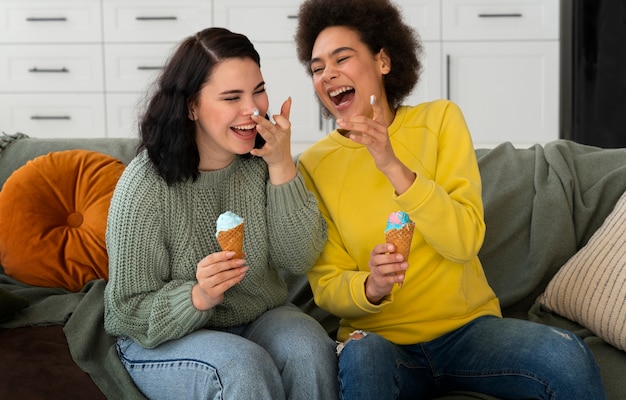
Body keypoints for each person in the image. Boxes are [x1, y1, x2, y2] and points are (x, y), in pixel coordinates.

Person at [293, 0, 607, 399]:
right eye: (317, 68)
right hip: (381, 342)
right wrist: (370, 286)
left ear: (383, 61)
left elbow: (463, 241)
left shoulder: (440, 121)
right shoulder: (315, 165)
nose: (328, 74)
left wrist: (393, 166)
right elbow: (327, 284)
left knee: (567, 358)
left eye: (342, 58)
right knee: (362, 354)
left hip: (468, 333)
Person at [103, 27, 338, 400]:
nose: (254, 109)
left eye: (258, 90)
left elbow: (299, 257)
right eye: (232, 97)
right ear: (191, 106)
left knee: (310, 346)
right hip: (162, 338)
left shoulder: (261, 163)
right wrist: (197, 296)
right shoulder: (145, 185)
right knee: (241, 365)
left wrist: (281, 165)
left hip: (256, 317)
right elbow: (126, 310)